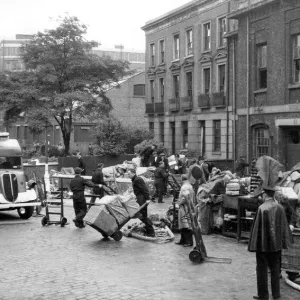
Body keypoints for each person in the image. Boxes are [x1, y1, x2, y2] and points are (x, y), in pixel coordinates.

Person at [248, 184, 293, 300]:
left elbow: (257, 229)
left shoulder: (262, 208)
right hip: (276, 244)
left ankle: (263, 295)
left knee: (262, 268)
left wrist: (255, 243)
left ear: (264, 194)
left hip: (263, 245)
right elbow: (283, 227)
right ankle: (276, 294)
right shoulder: (280, 207)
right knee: (275, 268)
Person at [127, 168, 155, 237]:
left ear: (133, 173)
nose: (128, 175)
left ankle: (151, 232)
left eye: (129, 174)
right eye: (128, 174)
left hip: (142, 199)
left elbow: (144, 189)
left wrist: (147, 199)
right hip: (139, 198)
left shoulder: (138, 179)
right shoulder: (134, 180)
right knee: (142, 215)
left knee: (143, 215)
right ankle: (149, 229)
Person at [175, 174, 195, 247]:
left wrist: (180, 202)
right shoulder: (188, 185)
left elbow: (185, 197)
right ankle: (183, 240)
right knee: (183, 224)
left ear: (181, 179)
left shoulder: (185, 187)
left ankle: (189, 242)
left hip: (185, 208)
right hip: (185, 207)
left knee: (186, 224)